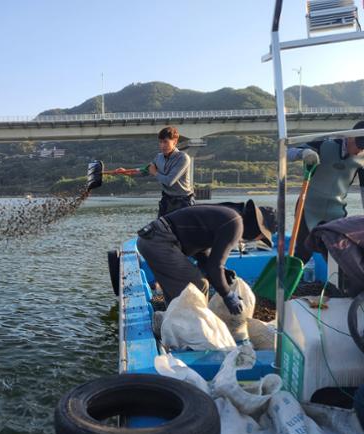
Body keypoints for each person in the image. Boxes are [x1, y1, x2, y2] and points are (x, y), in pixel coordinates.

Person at [136, 200, 272, 314]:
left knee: (178, 298)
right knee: (197, 286)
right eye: (260, 236)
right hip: (159, 242)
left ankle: (171, 328)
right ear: (257, 227)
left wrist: (221, 273)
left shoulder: (230, 215)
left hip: (153, 239)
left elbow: (200, 252)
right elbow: (214, 267)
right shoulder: (235, 224)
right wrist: (227, 295)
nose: (255, 239)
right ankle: (194, 334)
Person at [288, 120, 364, 262]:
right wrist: (304, 152)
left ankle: (334, 284)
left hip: (336, 210)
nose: (360, 150)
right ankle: (291, 281)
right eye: (360, 145)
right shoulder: (325, 143)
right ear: (350, 137)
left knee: (338, 253)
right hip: (308, 207)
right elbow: (288, 152)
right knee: (303, 252)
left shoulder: (362, 159)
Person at [114, 126, 194, 216]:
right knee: (160, 228)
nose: (162, 145)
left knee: (181, 230)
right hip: (167, 200)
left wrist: (155, 172)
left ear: (175, 142)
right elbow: (145, 171)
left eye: (166, 142)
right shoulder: (158, 157)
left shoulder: (183, 158)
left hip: (183, 201)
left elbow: (169, 181)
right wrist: (126, 173)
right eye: (160, 142)